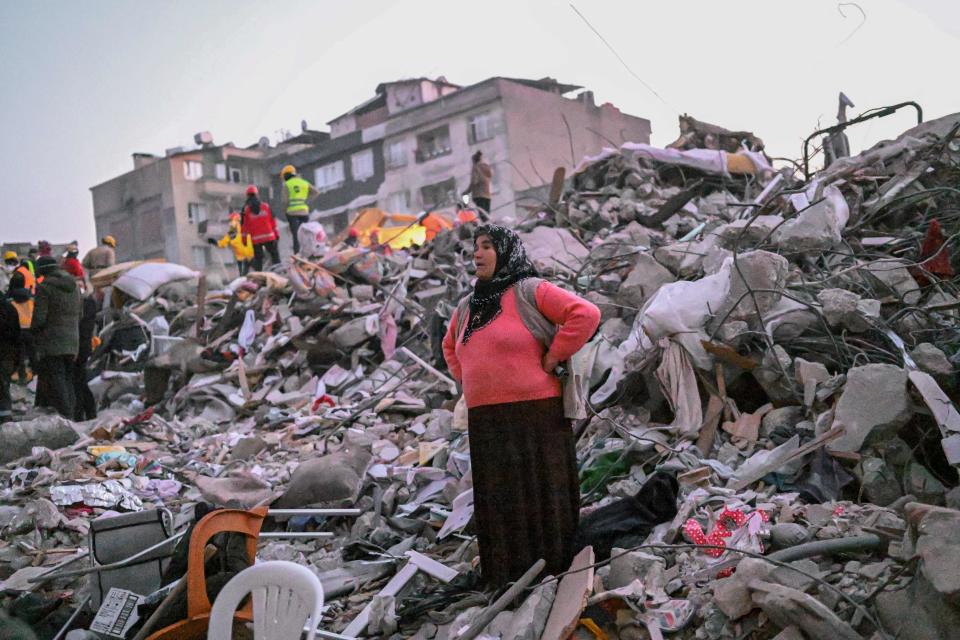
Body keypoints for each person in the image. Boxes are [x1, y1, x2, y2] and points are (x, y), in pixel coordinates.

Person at [442, 224, 600, 587]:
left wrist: (552, 358)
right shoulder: (468, 307)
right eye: (475, 248)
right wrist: (468, 379)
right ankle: (507, 577)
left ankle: (556, 572)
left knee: (541, 492)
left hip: (535, 415)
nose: (477, 254)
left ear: (506, 252)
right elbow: (449, 346)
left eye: (487, 247)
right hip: (487, 421)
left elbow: (585, 314)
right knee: (500, 499)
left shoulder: (529, 291)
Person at [31, 257, 81, 418]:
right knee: (68, 378)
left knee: (57, 378)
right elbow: (81, 314)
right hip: (73, 340)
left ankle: (65, 416)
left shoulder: (44, 288)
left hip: (52, 342)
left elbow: (39, 319)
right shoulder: (75, 287)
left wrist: (32, 332)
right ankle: (71, 414)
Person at [280, 165, 322, 254]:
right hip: (304, 212)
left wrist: (285, 211)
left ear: (286, 175)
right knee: (306, 234)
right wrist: (306, 201)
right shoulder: (304, 182)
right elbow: (316, 192)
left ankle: (297, 254)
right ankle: (309, 252)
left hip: (292, 213)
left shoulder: (287, 185)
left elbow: (285, 201)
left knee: (296, 235)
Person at [240, 185, 280, 271]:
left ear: (247, 196)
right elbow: (273, 222)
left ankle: (259, 278)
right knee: (275, 257)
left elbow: (244, 227)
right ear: (257, 195)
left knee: (258, 261)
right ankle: (280, 274)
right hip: (269, 237)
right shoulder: (266, 206)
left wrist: (244, 241)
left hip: (256, 240)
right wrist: (277, 235)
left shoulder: (245, 210)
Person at [73, 293, 98, 421]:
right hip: (83, 347)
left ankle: (81, 413)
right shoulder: (89, 304)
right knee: (80, 381)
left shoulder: (85, 304)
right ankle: (89, 412)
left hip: (78, 347)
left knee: (78, 382)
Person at [0, 289, 21, 423]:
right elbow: (17, 336)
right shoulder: (10, 309)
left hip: (5, 354)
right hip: (8, 355)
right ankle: (6, 419)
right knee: (4, 386)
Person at [463, 151, 493, 215]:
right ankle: (489, 224)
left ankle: (465, 209)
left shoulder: (475, 168)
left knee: (482, 215)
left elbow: (474, 181)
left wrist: (466, 192)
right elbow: (490, 176)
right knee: (487, 215)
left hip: (479, 195)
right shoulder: (486, 167)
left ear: (473, 161)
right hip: (487, 195)